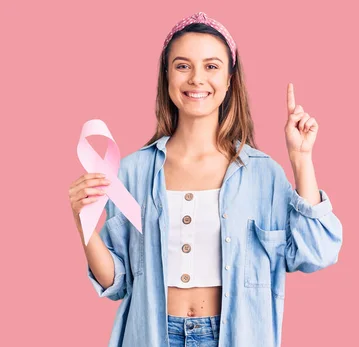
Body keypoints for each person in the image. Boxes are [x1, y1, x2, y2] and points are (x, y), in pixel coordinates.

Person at [68, 11, 343, 347]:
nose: (197, 78)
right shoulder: (132, 172)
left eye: (211, 66)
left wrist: (301, 160)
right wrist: (84, 222)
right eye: (183, 66)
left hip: (236, 335)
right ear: (167, 77)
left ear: (229, 80)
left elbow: (316, 254)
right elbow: (117, 281)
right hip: (153, 336)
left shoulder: (262, 173)